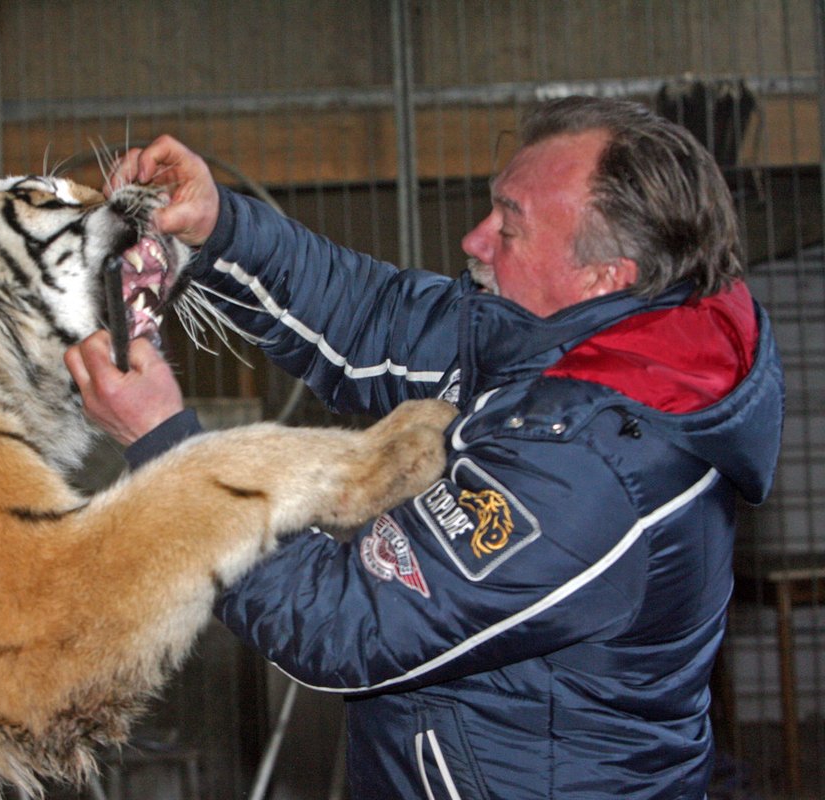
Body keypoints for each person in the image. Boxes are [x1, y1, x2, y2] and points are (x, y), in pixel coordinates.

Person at [64, 96, 784, 799]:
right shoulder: (580, 336)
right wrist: (220, 227)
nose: (473, 239)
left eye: (509, 224)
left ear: (604, 275)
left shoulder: (597, 469)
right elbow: (372, 319)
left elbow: (340, 625)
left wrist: (168, 449)